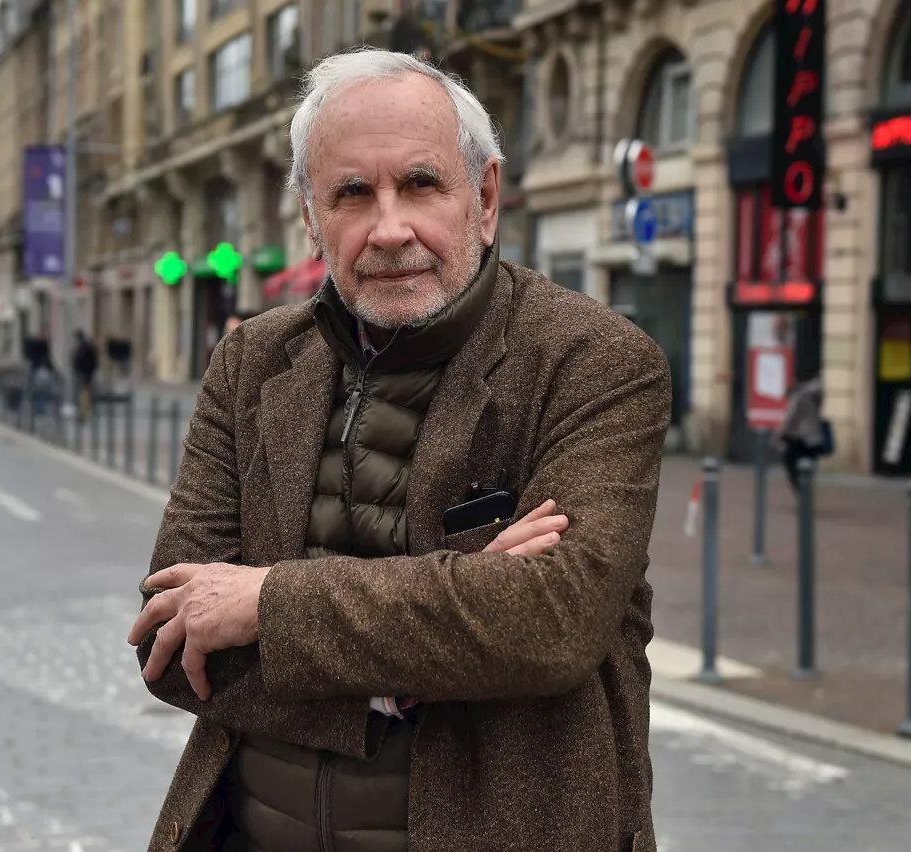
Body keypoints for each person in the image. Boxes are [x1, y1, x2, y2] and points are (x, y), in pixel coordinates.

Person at [127, 49, 671, 852]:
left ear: (482, 199)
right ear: (312, 219)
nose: (390, 229)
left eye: (421, 184)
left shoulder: (593, 361)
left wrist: (263, 604)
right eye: (352, 193)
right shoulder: (252, 361)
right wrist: (445, 634)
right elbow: (171, 641)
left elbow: (551, 623)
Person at [773, 368, 826, 491]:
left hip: (798, 437)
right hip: (814, 436)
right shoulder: (817, 392)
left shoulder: (799, 395)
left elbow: (791, 416)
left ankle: (802, 496)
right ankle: (806, 496)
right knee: (807, 469)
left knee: (792, 466)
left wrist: (779, 433)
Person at [71, 330, 98, 423]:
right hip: (85, 374)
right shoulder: (87, 345)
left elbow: (81, 360)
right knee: (84, 395)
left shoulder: (83, 347)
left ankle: (83, 414)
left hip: (83, 374)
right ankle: (84, 413)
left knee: (83, 395)